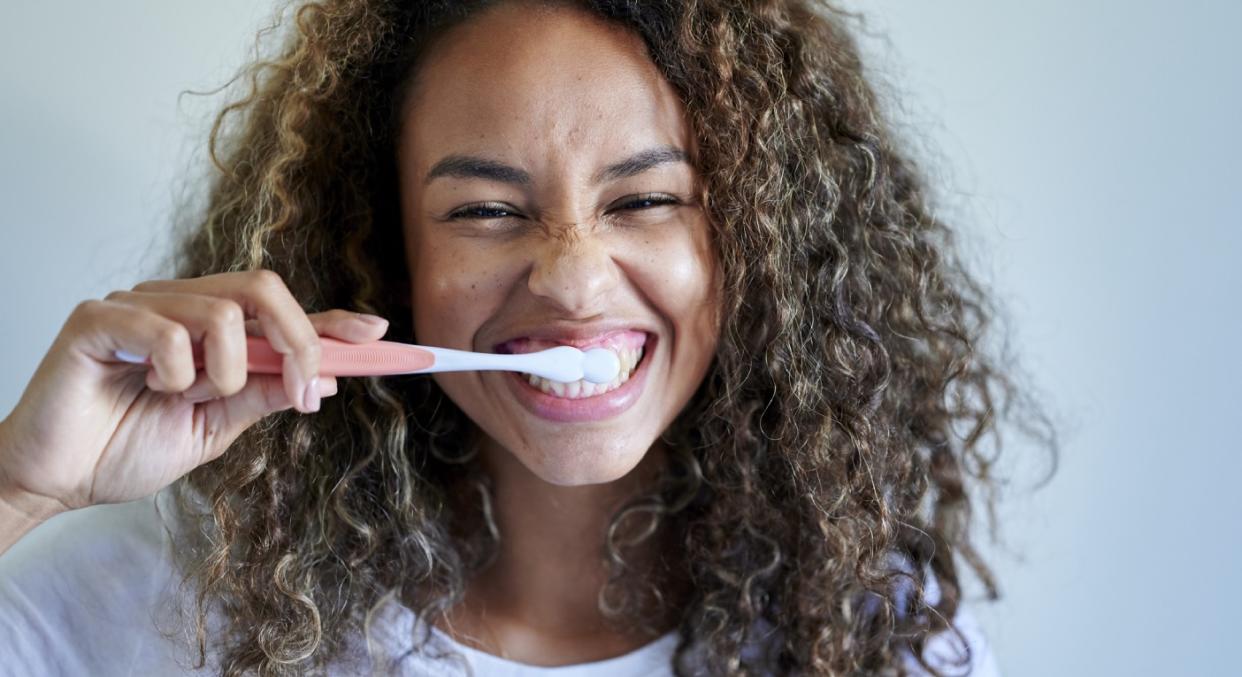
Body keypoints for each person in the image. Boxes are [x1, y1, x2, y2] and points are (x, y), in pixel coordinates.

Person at [0, 0, 1055, 674]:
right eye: (485, 212)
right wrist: (19, 489)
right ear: (383, 251)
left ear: (756, 241)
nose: (573, 277)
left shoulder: (877, 643)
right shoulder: (148, 607)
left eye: (644, 199)